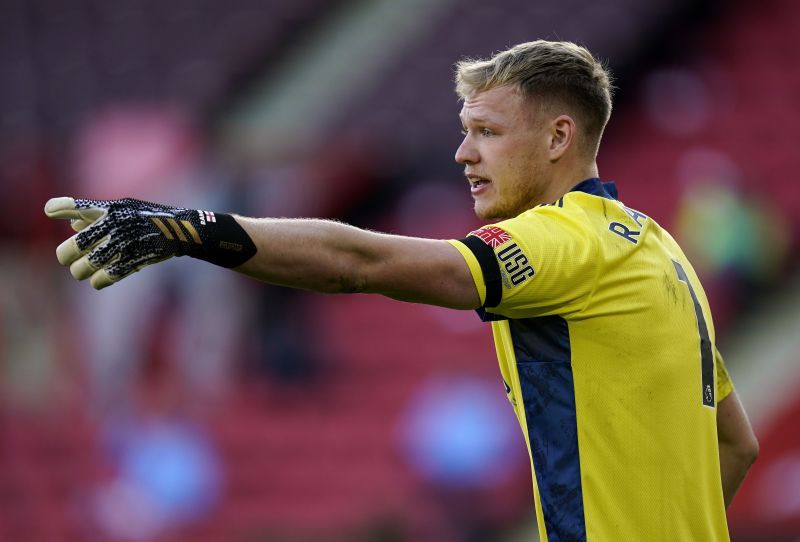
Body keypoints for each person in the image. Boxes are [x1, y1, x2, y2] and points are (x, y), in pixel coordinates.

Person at [45, 40, 758, 540]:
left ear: (557, 138)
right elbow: (735, 444)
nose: (464, 153)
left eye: (487, 132)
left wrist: (192, 231)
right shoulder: (660, 250)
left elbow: (363, 263)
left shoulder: (562, 241)